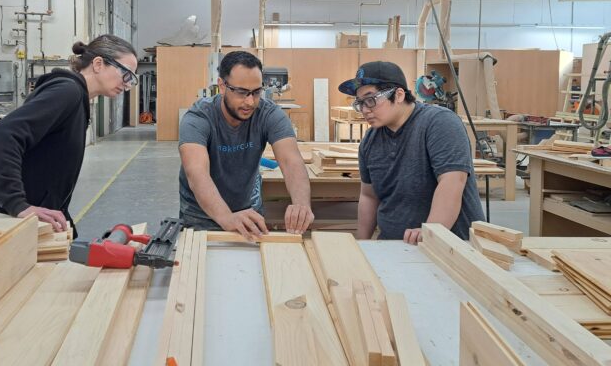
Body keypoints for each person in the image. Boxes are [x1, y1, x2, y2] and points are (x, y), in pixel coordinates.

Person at [0, 35, 138, 235]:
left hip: (27, 220)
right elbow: (3, 135)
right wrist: (17, 204)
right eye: (126, 74)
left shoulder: (78, 99)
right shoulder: (67, 92)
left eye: (131, 80)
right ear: (98, 64)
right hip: (2, 219)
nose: (127, 85)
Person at [338, 61, 485, 245]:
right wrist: (363, 243)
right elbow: (369, 196)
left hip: (451, 247)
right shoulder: (370, 140)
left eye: (371, 100)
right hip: (395, 247)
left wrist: (431, 232)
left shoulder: (439, 123)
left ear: (398, 95)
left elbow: (452, 182)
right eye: (360, 103)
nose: (365, 110)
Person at [179, 51, 314, 240]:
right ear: (222, 86)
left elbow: (291, 160)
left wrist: (301, 204)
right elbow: (196, 173)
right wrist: (227, 218)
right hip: (201, 217)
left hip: (249, 213)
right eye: (242, 92)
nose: (250, 102)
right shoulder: (198, 118)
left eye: (256, 92)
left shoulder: (269, 114)